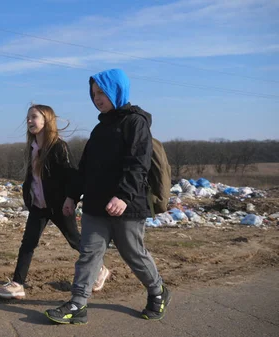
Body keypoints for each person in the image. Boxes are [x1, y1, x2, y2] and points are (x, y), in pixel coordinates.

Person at [45, 69, 170, 324]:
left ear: (117, 90)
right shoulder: (100, 128)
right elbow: (85, 168)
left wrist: (123, 196)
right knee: (89, 254)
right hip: (95, 204)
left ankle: (158, 291)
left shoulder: (136, 123)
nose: (97, 98)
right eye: (93, 94)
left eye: (101, 92)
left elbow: (138, 164)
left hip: (127, 206)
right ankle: (78, 304)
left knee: (133, 253)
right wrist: (71, 196)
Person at [0, 104, 110, 300]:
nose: (30, 121)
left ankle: (100, 269)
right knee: (28, 244)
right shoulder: (32, 148)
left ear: (46, 121)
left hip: (58, 206)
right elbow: (33, 178)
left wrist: (70, 199)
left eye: (34, 117)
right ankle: (17, 284)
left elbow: (71, 177)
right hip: (39, 206)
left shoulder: (58, 147)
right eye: (28, 118)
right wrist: (29, 197)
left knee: (75, 240)